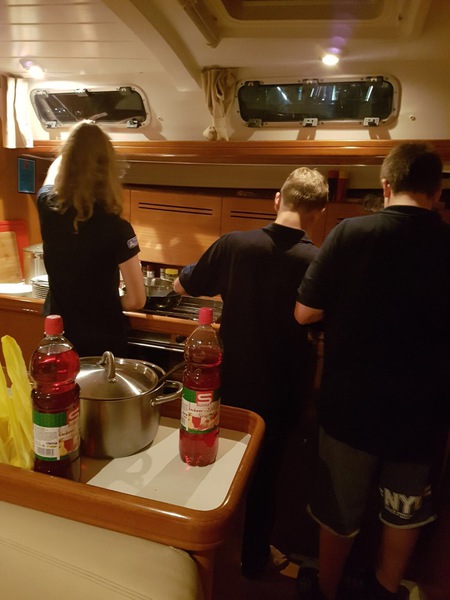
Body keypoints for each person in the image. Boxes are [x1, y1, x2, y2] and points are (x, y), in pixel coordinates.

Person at [294, 142, 450, 600]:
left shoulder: (351, 233)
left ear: (385, 186)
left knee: (339, 510)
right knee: (403, 511)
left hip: (352, 407)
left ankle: (327, 590)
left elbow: (305, 312)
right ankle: (384, 590)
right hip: (423, 413)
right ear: (436, 192)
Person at [173, 167, 328, 579]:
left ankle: (203, 548)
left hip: (231, 381)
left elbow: (184, 286)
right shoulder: (318, 261)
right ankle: (254, 558)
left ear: (278, 199)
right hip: (283, 387)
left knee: (217, 461)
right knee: (265, 475)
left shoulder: (235, 244)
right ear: (318, 213)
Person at [36, 120, 146, 357]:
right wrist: (108, 303)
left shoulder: (47, 206)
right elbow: (137, 300)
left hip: (59, 338)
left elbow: (55, 170)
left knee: (61, 382)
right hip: (102, 341)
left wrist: (77, 142)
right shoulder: (118, 228)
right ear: (108, 170)